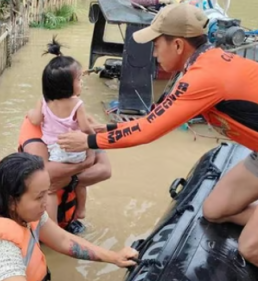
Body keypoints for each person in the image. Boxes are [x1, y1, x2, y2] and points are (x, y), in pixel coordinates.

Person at [56, 3, 258, 266]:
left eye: (156, 44)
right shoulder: (197, 67)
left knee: (250, 248)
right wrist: (103, 129)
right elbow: (155, 117)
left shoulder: (205, 77)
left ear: (177, 45)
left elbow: (149, 131)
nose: (152, 52)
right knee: (214, 211)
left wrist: (88, 141)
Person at [0, 152, 139, 281]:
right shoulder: (1, 253)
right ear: (12, 201)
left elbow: (63, 240)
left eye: (47, 193)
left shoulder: (25, 214)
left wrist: (114, 257)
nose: (46, 202)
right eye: (39, 196)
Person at [27, 37, 95, 220]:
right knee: (80, 183)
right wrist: (94, 139)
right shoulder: (77, 104)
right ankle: (81, 210)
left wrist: (29, 113)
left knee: (50, 188)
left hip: (55, 152)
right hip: (75, 151)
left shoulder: (43, 101)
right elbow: (85, 128)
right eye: (79, 79)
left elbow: (35, 120)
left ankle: (53, 223)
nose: (81, 83)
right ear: (67, 85)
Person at [17, 116, 111, 231]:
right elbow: (46, 174)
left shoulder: (82, 120)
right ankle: (55, 231)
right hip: (39, 224)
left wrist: (71, 180)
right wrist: (84, 166)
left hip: (69, 218)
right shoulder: (35, 124)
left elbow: (105, 170)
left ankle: (76, 214)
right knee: (50, 188)